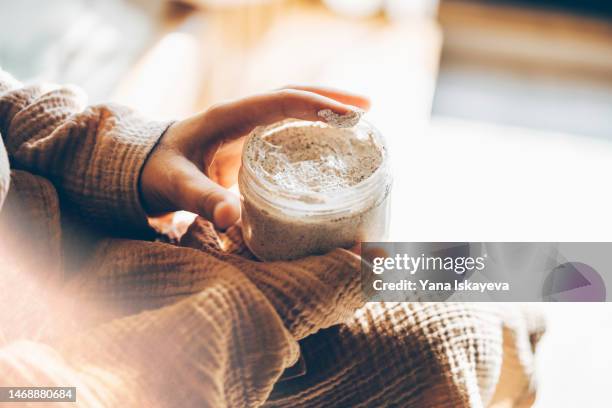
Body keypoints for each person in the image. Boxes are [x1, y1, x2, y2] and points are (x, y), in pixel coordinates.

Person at [0, 68, 543, 407]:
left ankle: (548, 294)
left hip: (109, 235)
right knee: (448, 337)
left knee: (484, 287)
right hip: (113, 352)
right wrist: (249, 317)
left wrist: (125, 153)